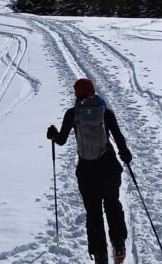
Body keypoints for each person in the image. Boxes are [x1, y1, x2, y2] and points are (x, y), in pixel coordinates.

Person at [47, 78, 132, 264]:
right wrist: (125, 154)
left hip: (87, 170)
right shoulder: (105, 112)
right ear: (93, 91)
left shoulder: (72, 113)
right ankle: (119, 246)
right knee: (112, 205)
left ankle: (100, 253)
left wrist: (52, 134)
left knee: (93, 213)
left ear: (77, 94)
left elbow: (61, 140)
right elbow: (118, 137)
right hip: (109, 167)